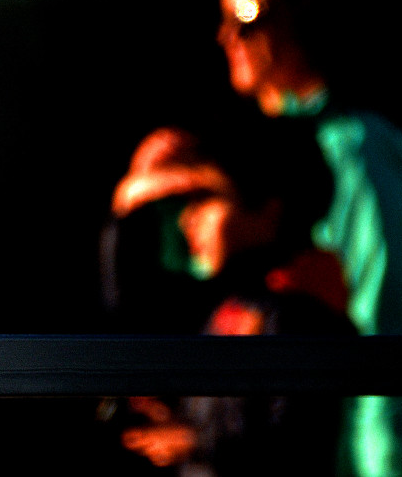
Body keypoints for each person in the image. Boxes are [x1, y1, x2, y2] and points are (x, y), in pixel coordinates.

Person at [108, 0, 402, 477]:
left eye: (246, 15)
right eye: (222, 17)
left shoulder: (354, 158)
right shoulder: (256, 152)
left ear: (308, 16)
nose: (226, 36)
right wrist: (142, 200)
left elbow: (386, 339)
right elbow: (172, 294)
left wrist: (386, 470)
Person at [119, 113, 356, 476]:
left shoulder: (299, 311)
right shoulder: (229, 301)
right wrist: (126, 207)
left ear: (268, 211)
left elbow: (294, 441)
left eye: (206, 199)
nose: (187, 220)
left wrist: (197, 440)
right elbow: (125, 311)